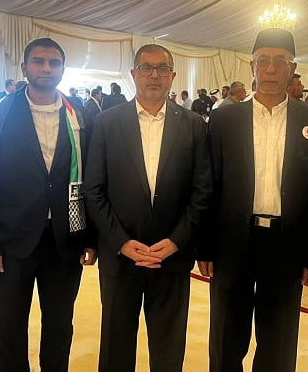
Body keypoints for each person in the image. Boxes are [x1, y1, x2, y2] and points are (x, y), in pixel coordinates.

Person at [198, 28, 308, 372]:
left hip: (287, 243)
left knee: (278, 339)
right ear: (252, 65)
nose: (271, 69)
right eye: (263, 60)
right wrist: (205, 246)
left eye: (280, 61)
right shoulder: (224, 119)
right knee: (226, 335)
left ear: (292, 68)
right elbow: (210, 185)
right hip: (232, 242)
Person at [0, 37, 96, 372]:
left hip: (64, 240)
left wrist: (90, 238)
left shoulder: (80, 115)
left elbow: (93, 180)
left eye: (54, 63)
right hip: (10, 242)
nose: (46, 69)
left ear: (62, 69)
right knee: (9, 328)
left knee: (60, 326)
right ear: (24, 68)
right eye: (38, 62)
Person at [85, 44, 211, 372]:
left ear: (172, 75)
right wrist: (121, 242)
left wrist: (177, 241)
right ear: (133, 74)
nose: (154, 75)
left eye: (161, 68)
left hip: (171, 255)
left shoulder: (194, 124)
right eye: (146, 67)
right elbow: (94, 190)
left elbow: (202, 191)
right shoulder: (106, 122)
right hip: (120, 255)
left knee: (169, 348)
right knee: (116, 346)